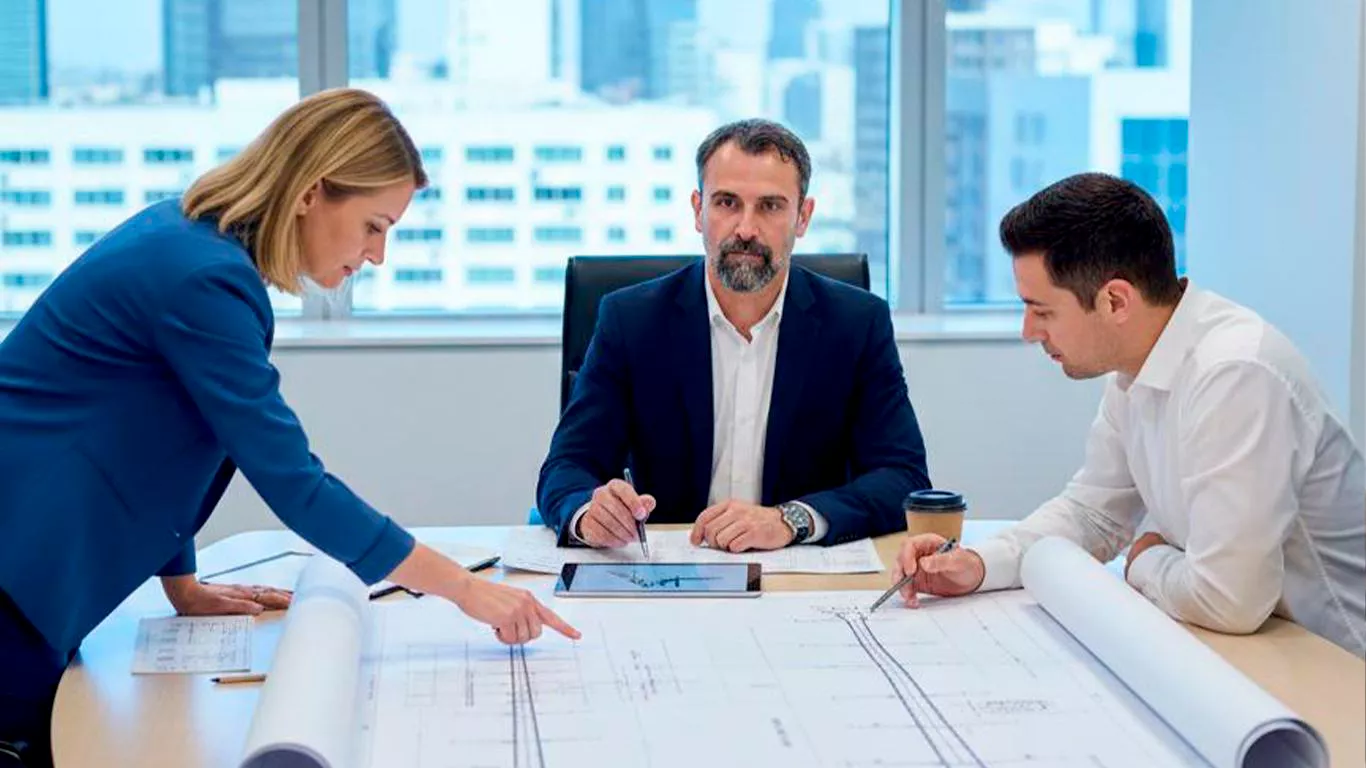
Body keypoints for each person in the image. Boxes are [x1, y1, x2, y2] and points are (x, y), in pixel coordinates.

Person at [0, 88, 578, 768]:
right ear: (311, 193)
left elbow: (169, 435)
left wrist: (182, 582)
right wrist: (465, 588)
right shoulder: (201, 279)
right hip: (18, 571)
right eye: (373, 225)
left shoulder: (194, 244)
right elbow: (292, 480)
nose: (377, 254)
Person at [893, 172, 1366, 657]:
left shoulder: (1236, 372)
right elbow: (1094, 514)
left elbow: (1228, 601)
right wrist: (976, 564)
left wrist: (1145, 559)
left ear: (1115, 300)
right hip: (1258, 647)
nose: (1028, 331)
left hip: (1336, 661)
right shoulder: (1137, 364)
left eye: (1042, 311)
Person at [537, 118, 931, 552]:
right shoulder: (631, 320)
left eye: (770, 206)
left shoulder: (857, 323)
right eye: (726, 202)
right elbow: (567, 467)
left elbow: (903, 477)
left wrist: (791, 520)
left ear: (803, 217)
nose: (745, 228)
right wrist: (588, 513)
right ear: (697, 210)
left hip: (797, 571)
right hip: (666, 571)